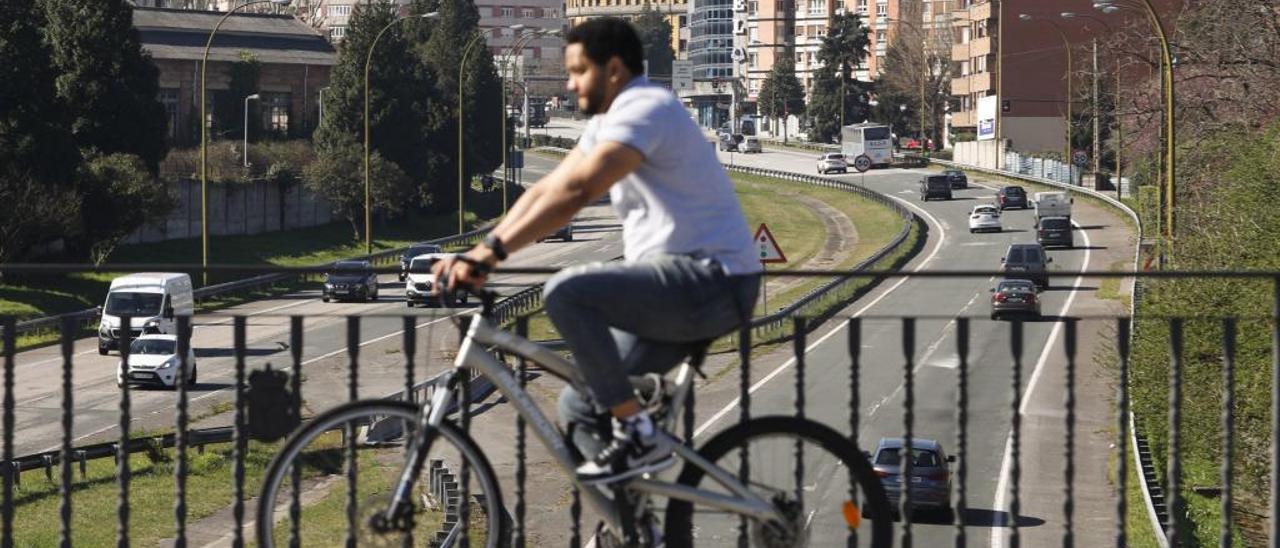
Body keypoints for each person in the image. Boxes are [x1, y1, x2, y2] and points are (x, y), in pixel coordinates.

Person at [435, 18, 760, 485]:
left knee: (567, 292)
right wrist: (480, 249)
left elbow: (581, 190)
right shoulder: (610, 122)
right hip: (678, 291)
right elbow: (551, 186)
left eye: (577, 71)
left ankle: (636, 431)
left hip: (710, 281)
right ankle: (632, 525)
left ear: (612, 70)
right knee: (580, 404)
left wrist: (489, 257)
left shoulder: (647, 107)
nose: (569, 83)